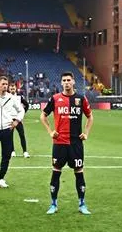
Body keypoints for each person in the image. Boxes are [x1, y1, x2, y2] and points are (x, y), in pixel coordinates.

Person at [40, 71, 94, 215]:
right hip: (59, 143)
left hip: (76, 143)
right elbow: (43, 116)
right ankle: (53, 204)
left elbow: (90, 117)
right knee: (56, 172)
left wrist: (86, 133)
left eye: (69, 80)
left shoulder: (81, 99)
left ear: (73, 82)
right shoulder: (55, 98)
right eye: (64, 80)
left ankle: (82, 204)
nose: (66, 82)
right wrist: (51, 132)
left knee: (79, 173)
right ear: (61, 82)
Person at [14, 90, 30, 157]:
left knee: (22, 135)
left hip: (18, 119)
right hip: (9, 119)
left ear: (15, 89)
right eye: (11, 88)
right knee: (9, 136)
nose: (12, 89)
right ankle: (12, 151)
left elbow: (27, 105)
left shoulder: (19, 97)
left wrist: (23, 113)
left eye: (13, 88)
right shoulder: (7, 96)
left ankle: (25, 151)